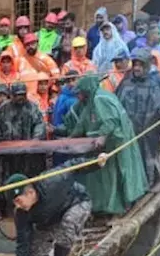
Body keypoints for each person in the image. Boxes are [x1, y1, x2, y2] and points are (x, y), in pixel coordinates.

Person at [2, 156, 102, 256]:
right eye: (14, 203)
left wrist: (96, 163)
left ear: (30, 192)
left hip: (76, 204)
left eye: (19, 201)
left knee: (68, 224)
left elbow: (72, 165)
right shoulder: (21, 212)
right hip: (50, 218)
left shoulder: (51, 181)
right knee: (34, 251)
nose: (17, 206)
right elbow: (22, 243)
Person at [62, 75, 148, 215]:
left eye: (80, 93)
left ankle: (117, 206)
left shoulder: (99, 99)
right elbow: (82, 123)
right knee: (108, 174)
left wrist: (102, 136)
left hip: (116, 142)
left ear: (86, 90)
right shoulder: (92, 101)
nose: (79, 97)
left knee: (116, 174)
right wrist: (68, 138)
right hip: (112, 142)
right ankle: (108, 205)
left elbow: (111, 120)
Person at [116, 49, 160, 179]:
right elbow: (115, 101)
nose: (137, 68)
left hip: (145, 131)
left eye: (140, 65)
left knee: (147, 157)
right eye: (135, 65)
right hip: (128, 130)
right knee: (128, 158)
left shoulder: (152, 84)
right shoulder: (126, 83)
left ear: (146, 66)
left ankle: (149, 181)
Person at [19, 32, 59, 112]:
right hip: (24, 97)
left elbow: (57, 78)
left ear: (37, 44)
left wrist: (54, 95)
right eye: (27, 44)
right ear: (24, 46)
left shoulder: (46, 59)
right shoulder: (20, 60)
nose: (30, 46)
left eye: (32, 44)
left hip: (43, 95)